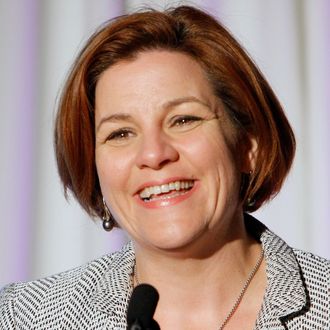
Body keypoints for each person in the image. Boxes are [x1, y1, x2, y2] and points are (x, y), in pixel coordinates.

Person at [0, 5, 329, 329]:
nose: (154, 154)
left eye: (184, 120)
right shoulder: (21, 317)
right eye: (121, 133)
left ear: (248, 146)